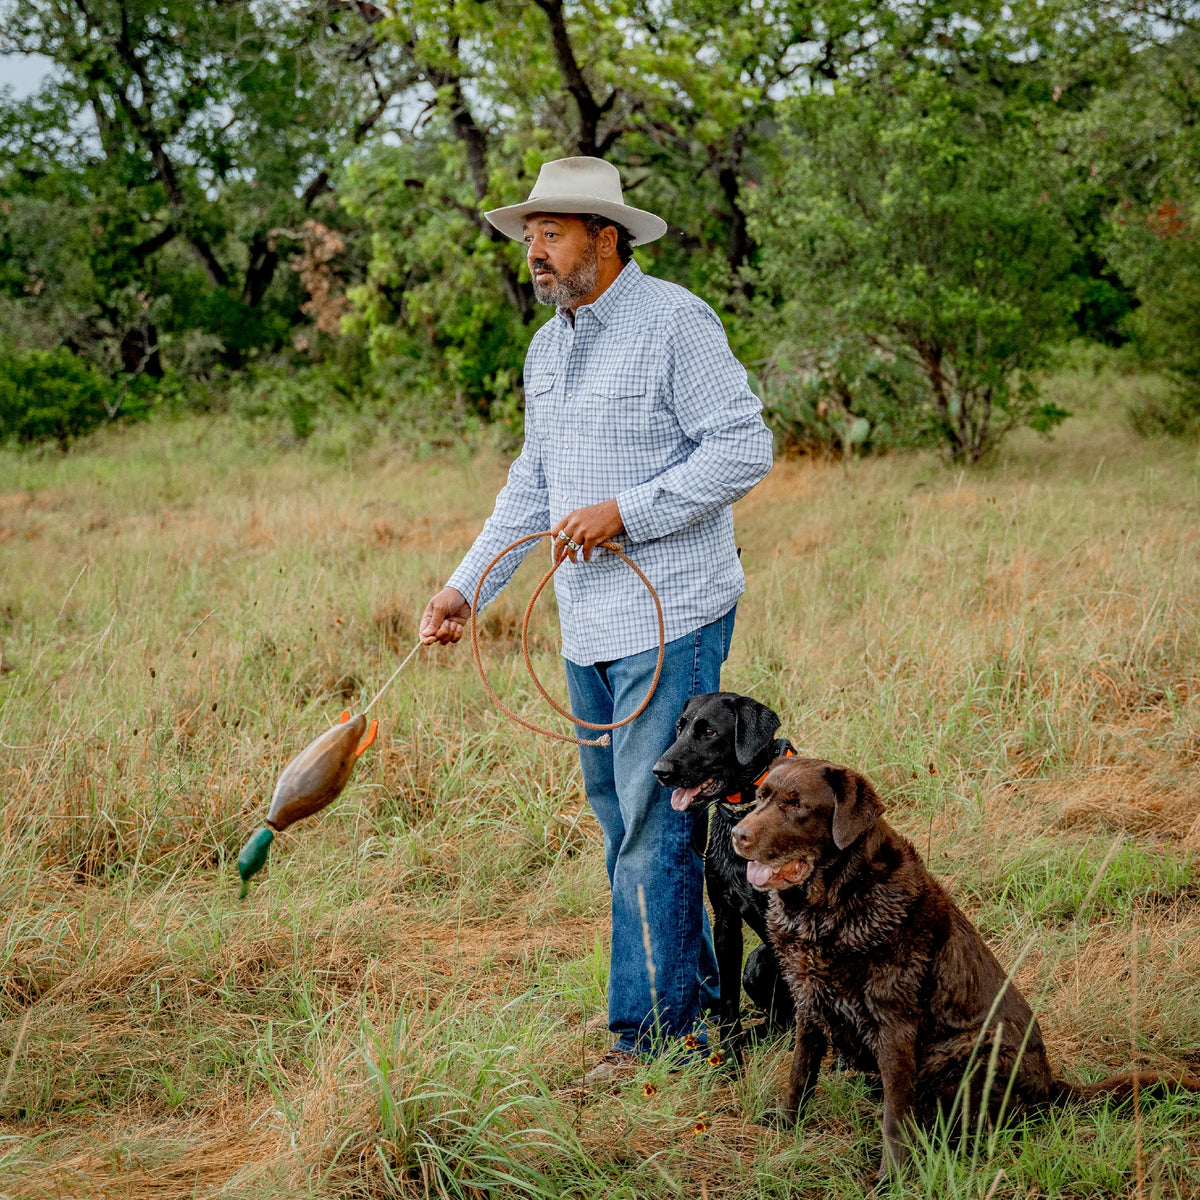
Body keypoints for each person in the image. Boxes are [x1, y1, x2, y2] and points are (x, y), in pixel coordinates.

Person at [419, 156, 773, 1083]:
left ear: (606, 238)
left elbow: (744, 446)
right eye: (528, 235)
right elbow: (531, 487)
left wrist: (627, 509)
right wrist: (467, 588)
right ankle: (686, 1017)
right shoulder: (549, 346)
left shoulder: (674, 323)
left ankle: (657, 1040)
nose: (532, 251)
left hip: (675, 616)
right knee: (623, 819)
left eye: (551, 233)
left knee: (657, 829)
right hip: (586, 625)